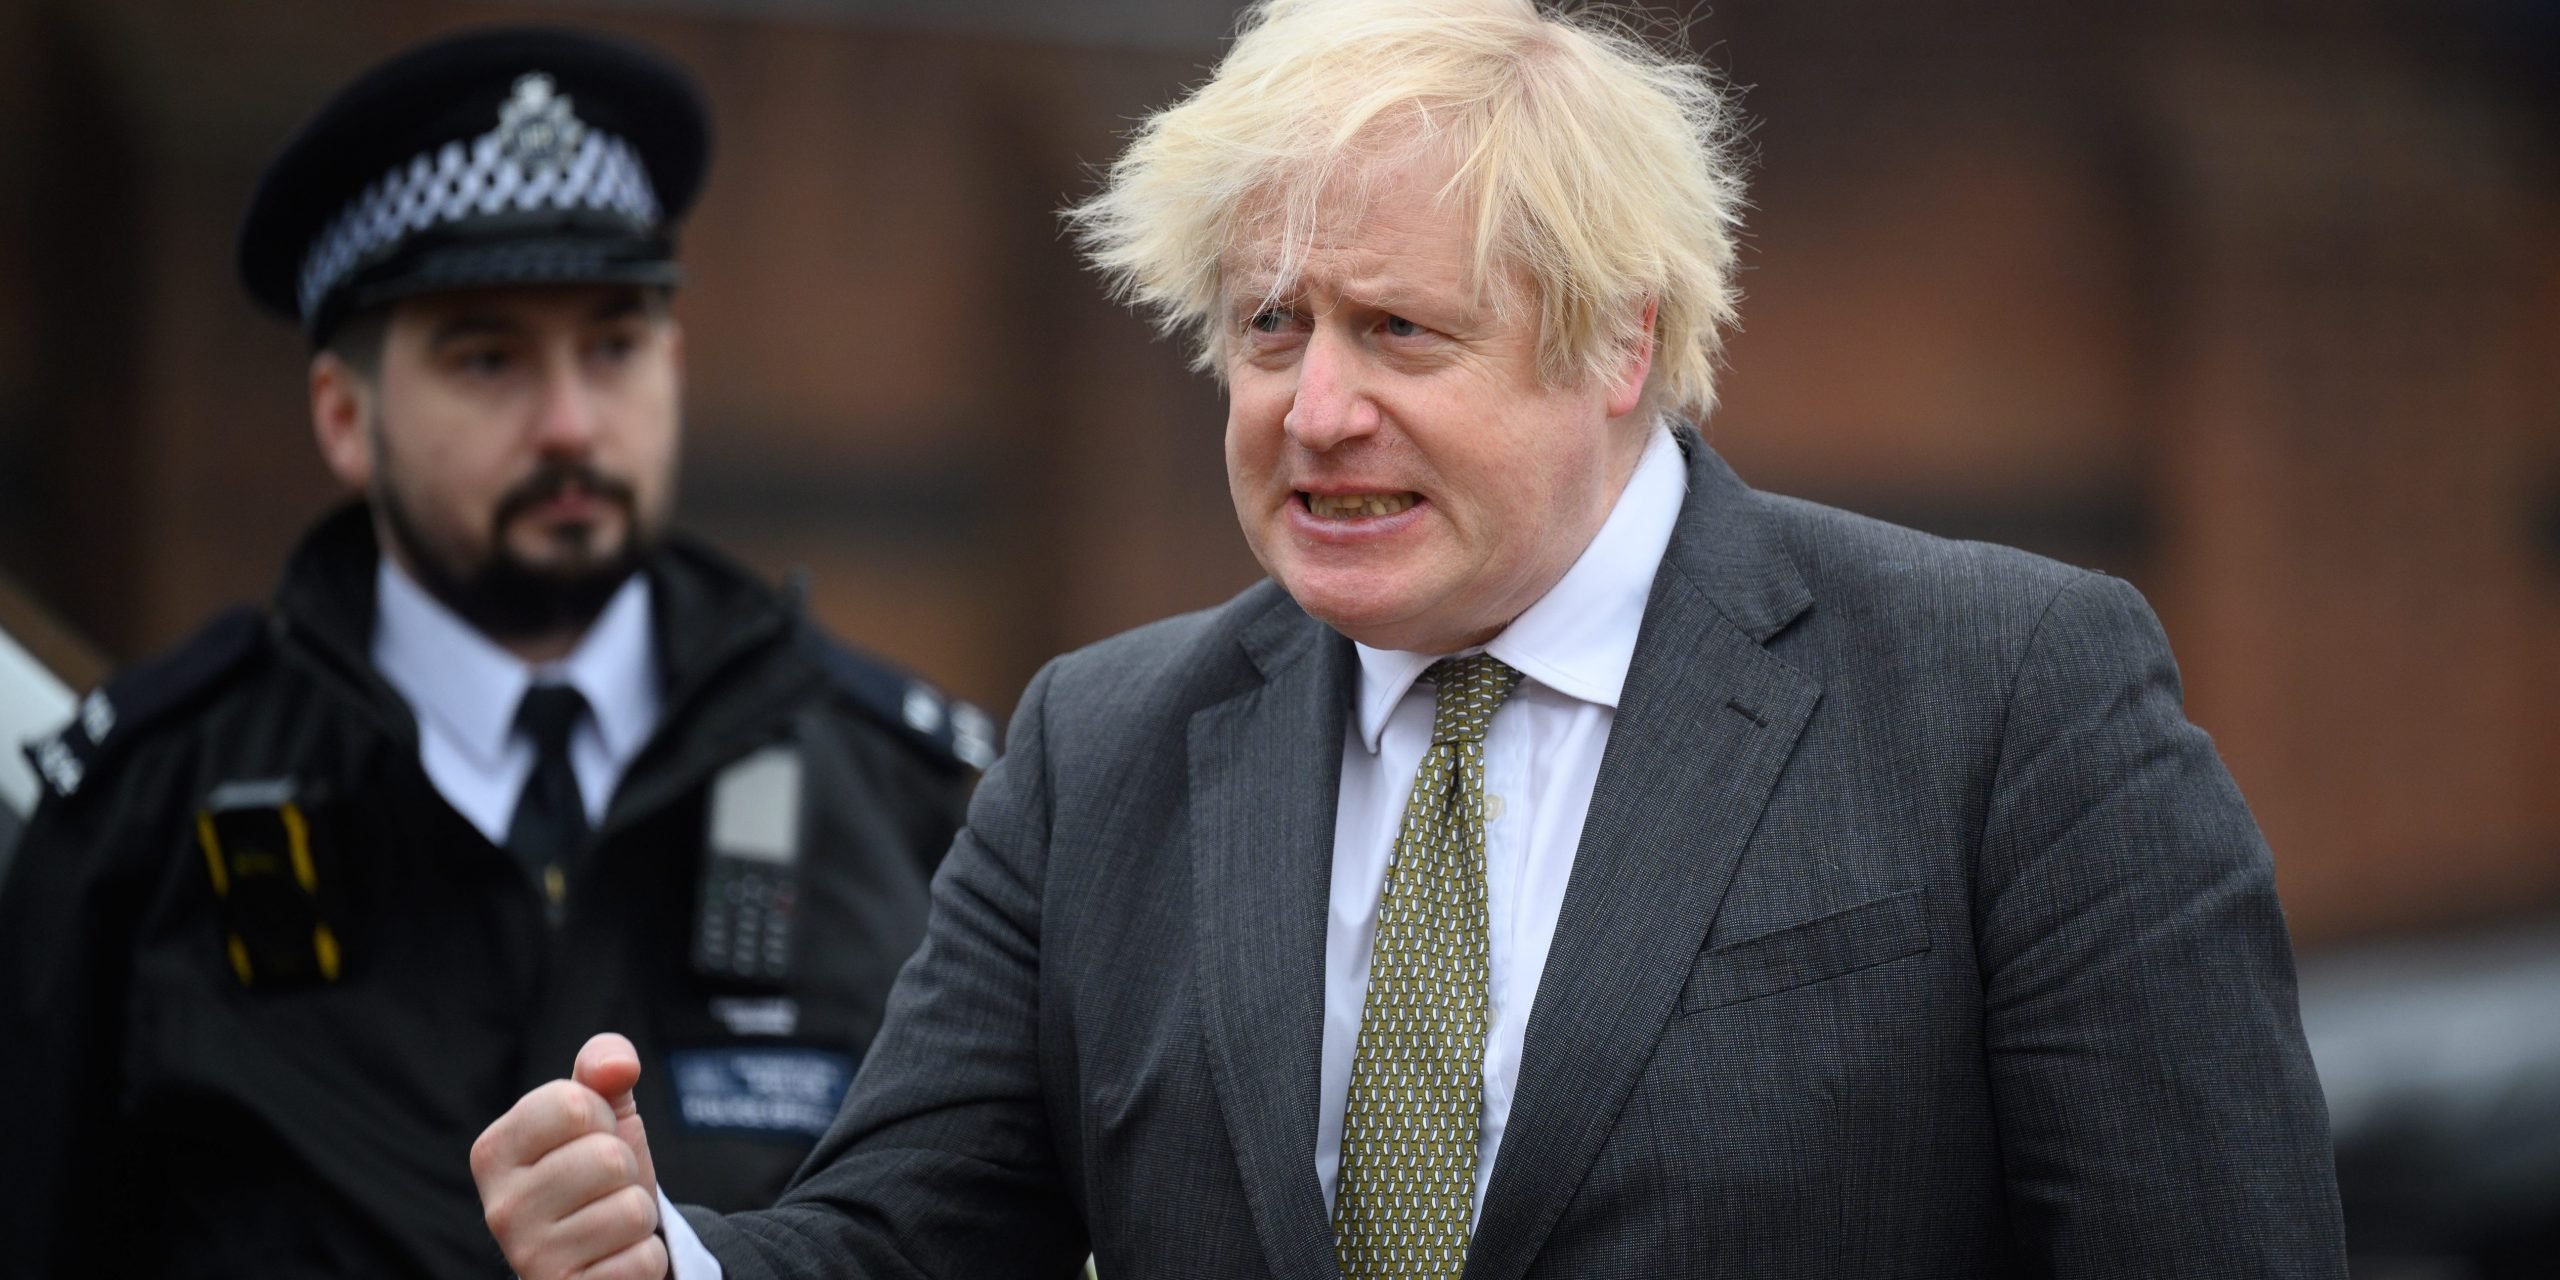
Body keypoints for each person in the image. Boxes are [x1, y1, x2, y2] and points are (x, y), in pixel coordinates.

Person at [473, 1, 2349, 1276]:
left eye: (1401, 333)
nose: (1314, 410)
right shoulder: (1098, 746)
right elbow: (907, 1239)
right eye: (1270, 330)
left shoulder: (2003, 700)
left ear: (1621, 341)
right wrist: (672, 1256)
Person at [0, 26, 991, 1280]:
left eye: (613, 345)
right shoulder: (146, 812)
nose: (570, 421)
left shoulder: (899, 796)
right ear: (344, 417)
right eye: (488, 357)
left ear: (674, 367)